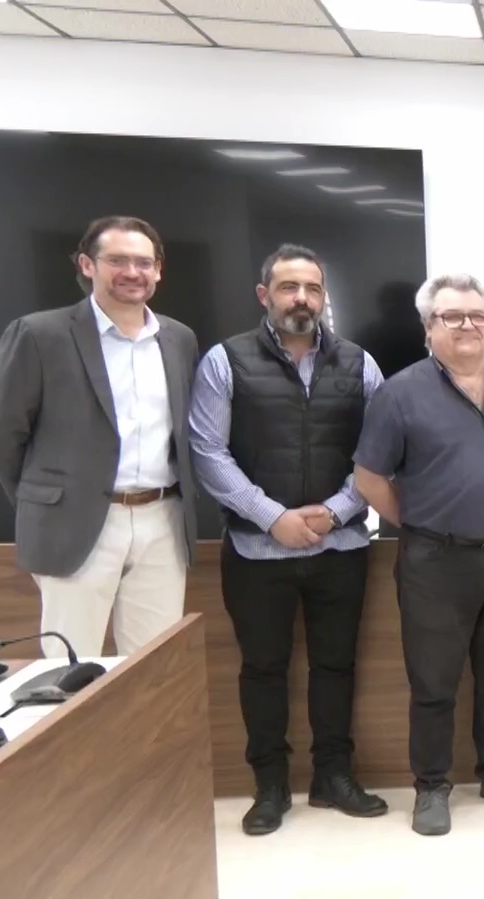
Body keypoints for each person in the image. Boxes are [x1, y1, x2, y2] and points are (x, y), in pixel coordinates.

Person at [188, 243, 386, 835]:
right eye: (288, 287)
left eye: (312, 289)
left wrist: (335, 509)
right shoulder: (225, 361)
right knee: (263, 669)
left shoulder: (360, 364)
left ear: (325, 299)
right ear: (264, 296)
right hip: (256, 551)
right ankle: (269, 786)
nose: (302, 299)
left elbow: (381, 451)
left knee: (336, 666)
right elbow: (207, 450)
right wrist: (272, 516)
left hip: (341, 548)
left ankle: (333, 777)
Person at [353, 273, 484, 836]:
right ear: (428, 327)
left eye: (477, 316)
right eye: (452, 317)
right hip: (436, 561)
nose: (467, 326)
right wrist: (422, 521)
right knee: (434, 681)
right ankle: (431, 786)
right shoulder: (400, 393)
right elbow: (368, 477)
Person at [0, 215, 200, 658]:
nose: (132, 273)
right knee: (68, 669)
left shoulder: (179, 339)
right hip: (76, 523)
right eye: (117, 260)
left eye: (144, 262)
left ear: (159, 269)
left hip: (163, 519)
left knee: (153, 667)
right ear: (86, 264)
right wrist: (42, 500)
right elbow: (1, 433)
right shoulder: (40, 334)